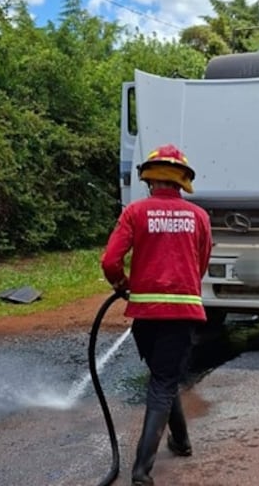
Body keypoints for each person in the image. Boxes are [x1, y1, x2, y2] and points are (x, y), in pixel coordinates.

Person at [100, 144, 212, 486]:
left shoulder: (135, 212)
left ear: (150, 178)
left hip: (146, 316)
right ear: (182, 180)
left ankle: (181, 441)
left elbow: (110, 261)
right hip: (182, 315)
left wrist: (123, 284)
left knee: (163, 376)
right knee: (164, 381)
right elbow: (200, 264)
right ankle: (141, 470)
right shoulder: (199, 217)